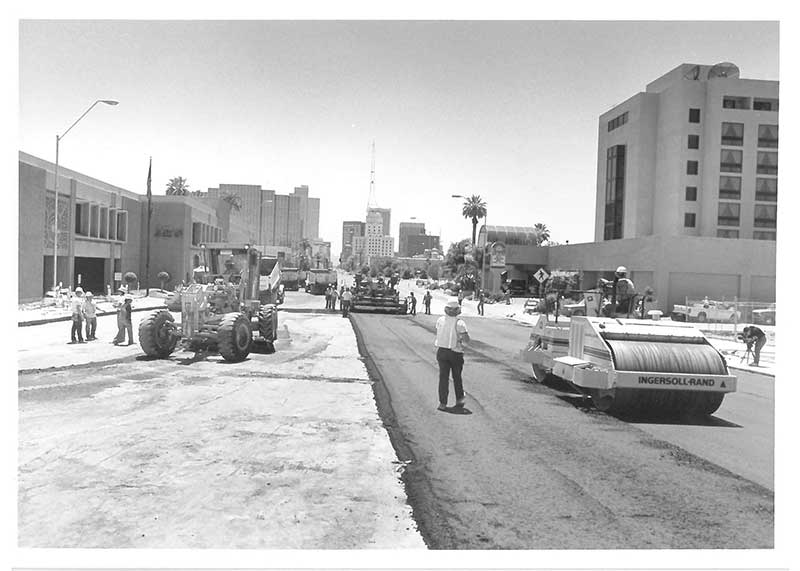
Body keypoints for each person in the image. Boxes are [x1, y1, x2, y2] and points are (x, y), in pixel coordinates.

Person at [434, 299, 470, 411]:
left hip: (442, 351)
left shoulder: (440, 320)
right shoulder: (460, 323)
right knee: (457, 378)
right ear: (458, 310)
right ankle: (460, 401)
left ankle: (442, 403)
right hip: (455, 353)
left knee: (443, 378)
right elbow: (466, 340)